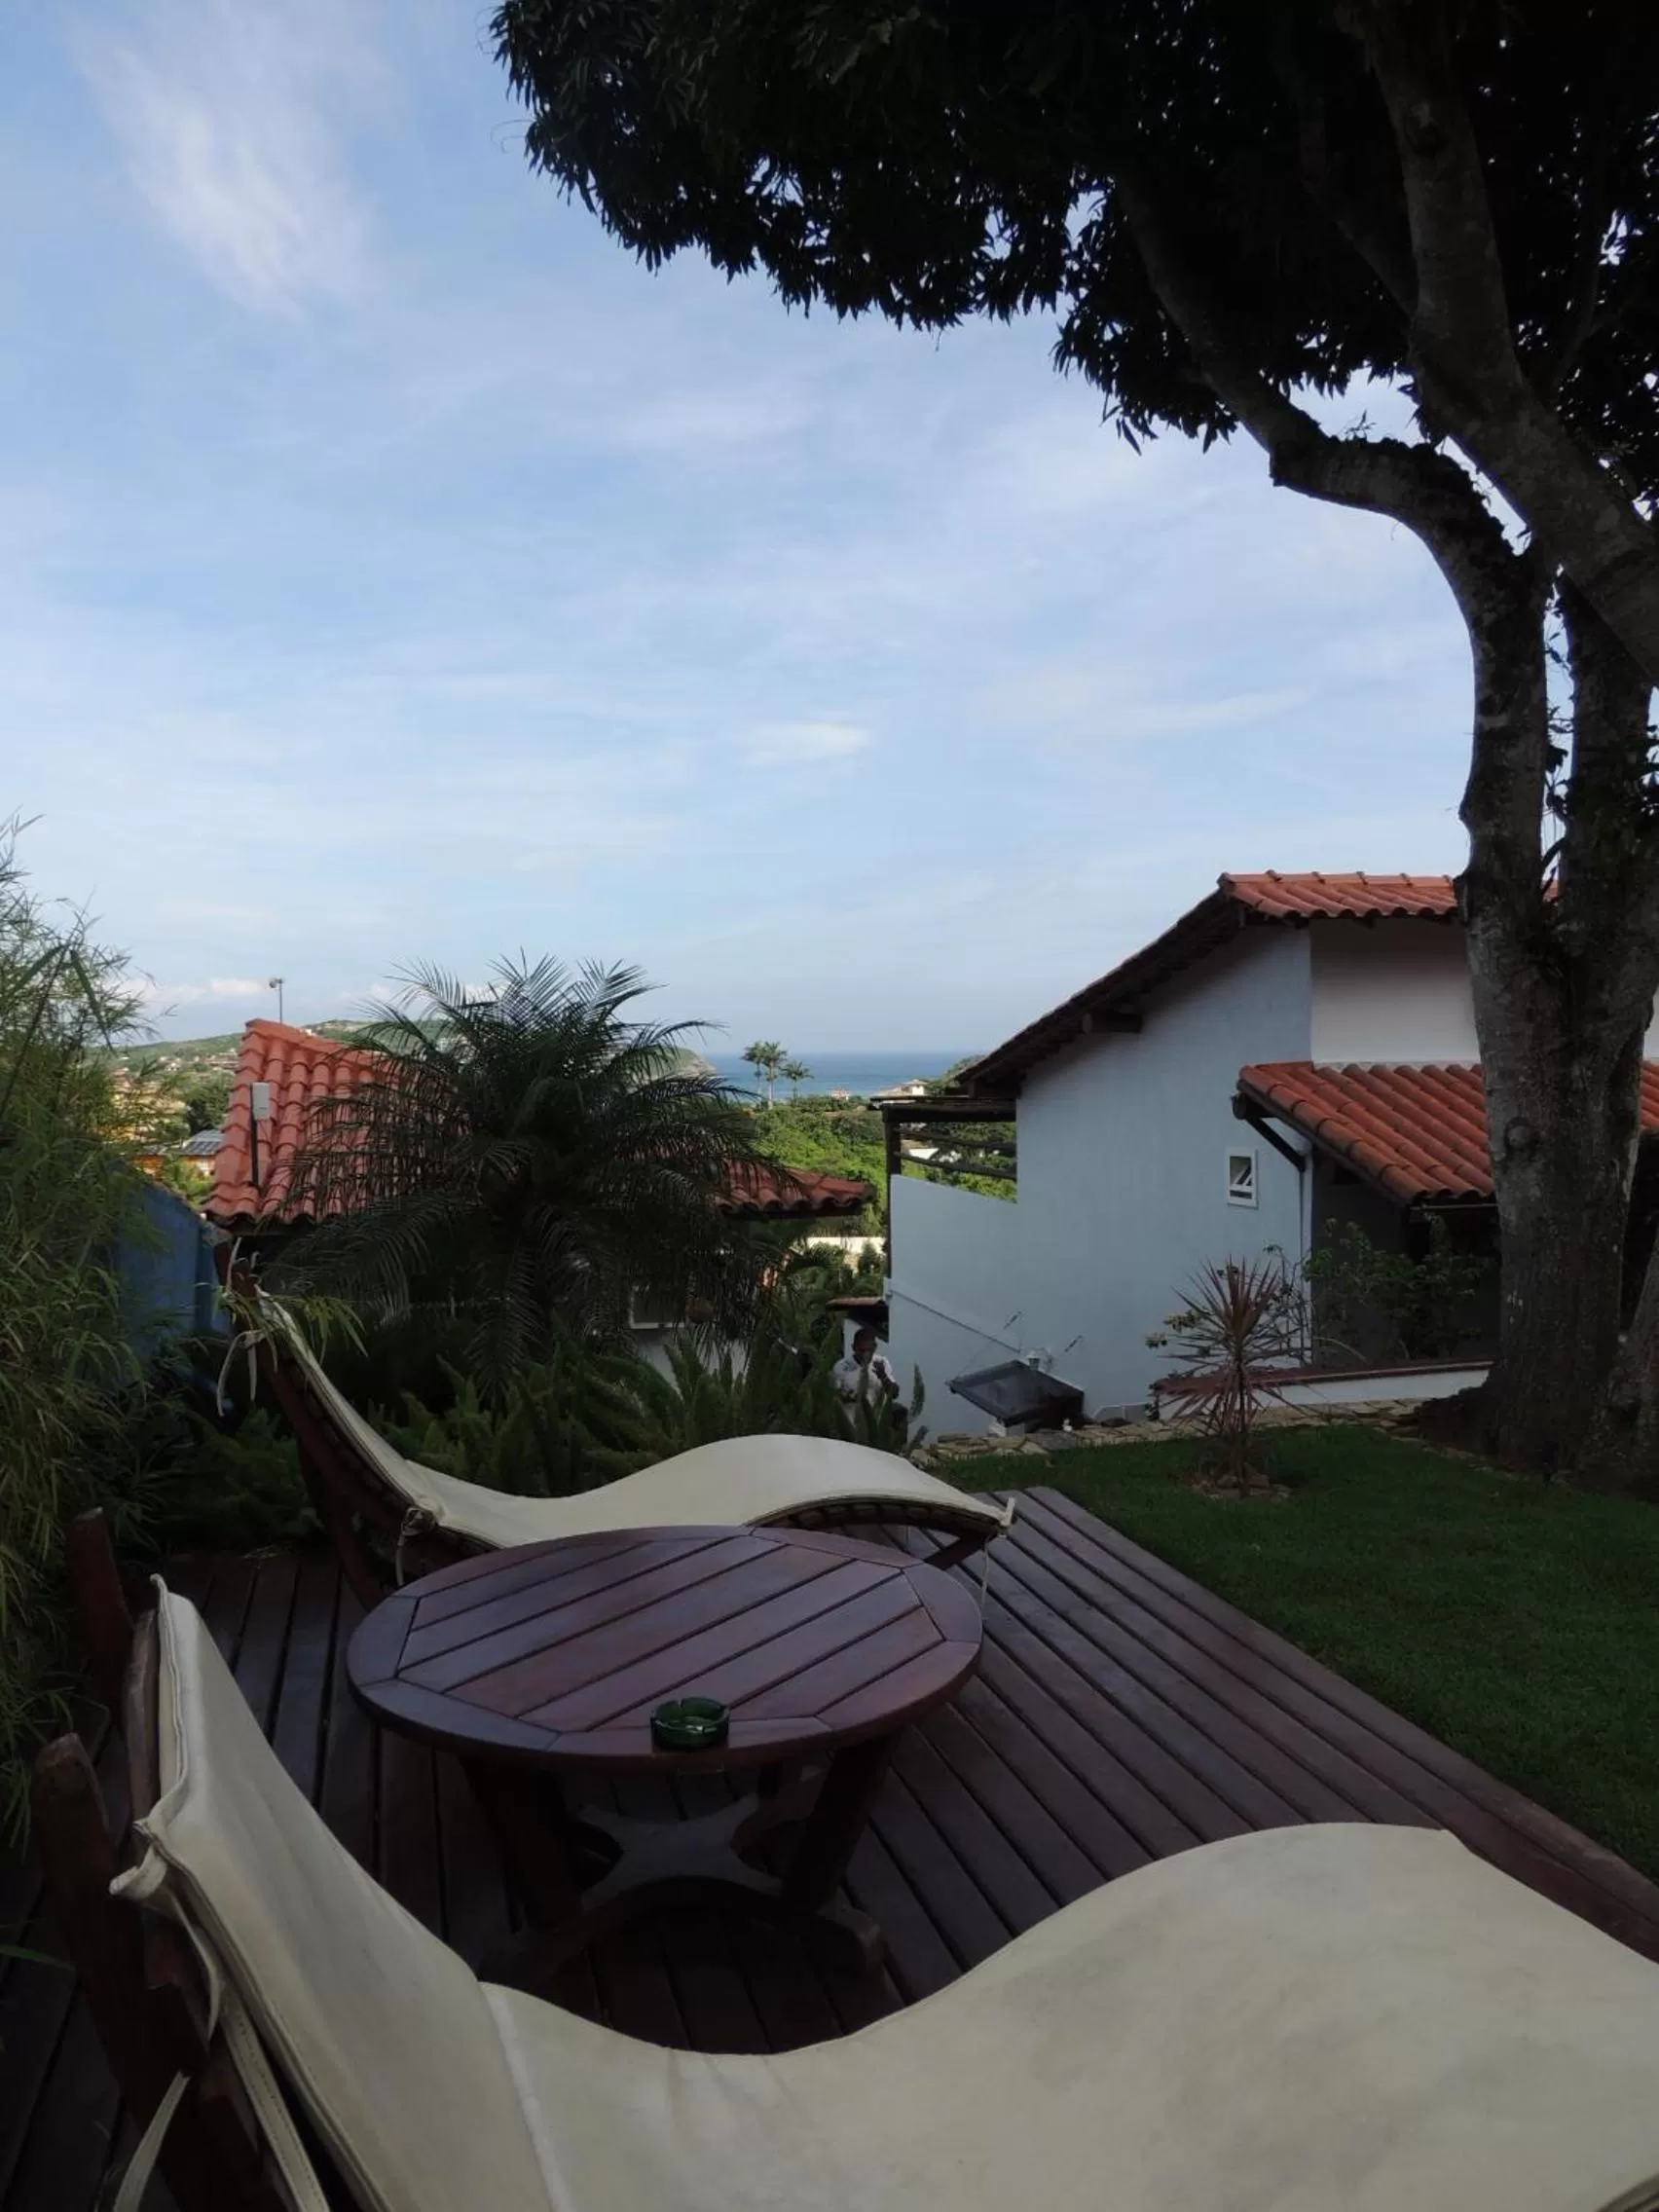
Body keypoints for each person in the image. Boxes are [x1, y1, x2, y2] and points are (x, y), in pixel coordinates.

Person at [832, 1325, 900, 1407]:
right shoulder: (841, 1367)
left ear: (875, 1347)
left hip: (875, 1417)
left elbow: (894, 1394)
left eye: (869, 1350)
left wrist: (883, 1376)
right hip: (851, 1416)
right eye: (862, 1351)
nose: (865, 1355)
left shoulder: (881, 1363)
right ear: (853, 1347)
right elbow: (835, 1396)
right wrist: (852, 1398)